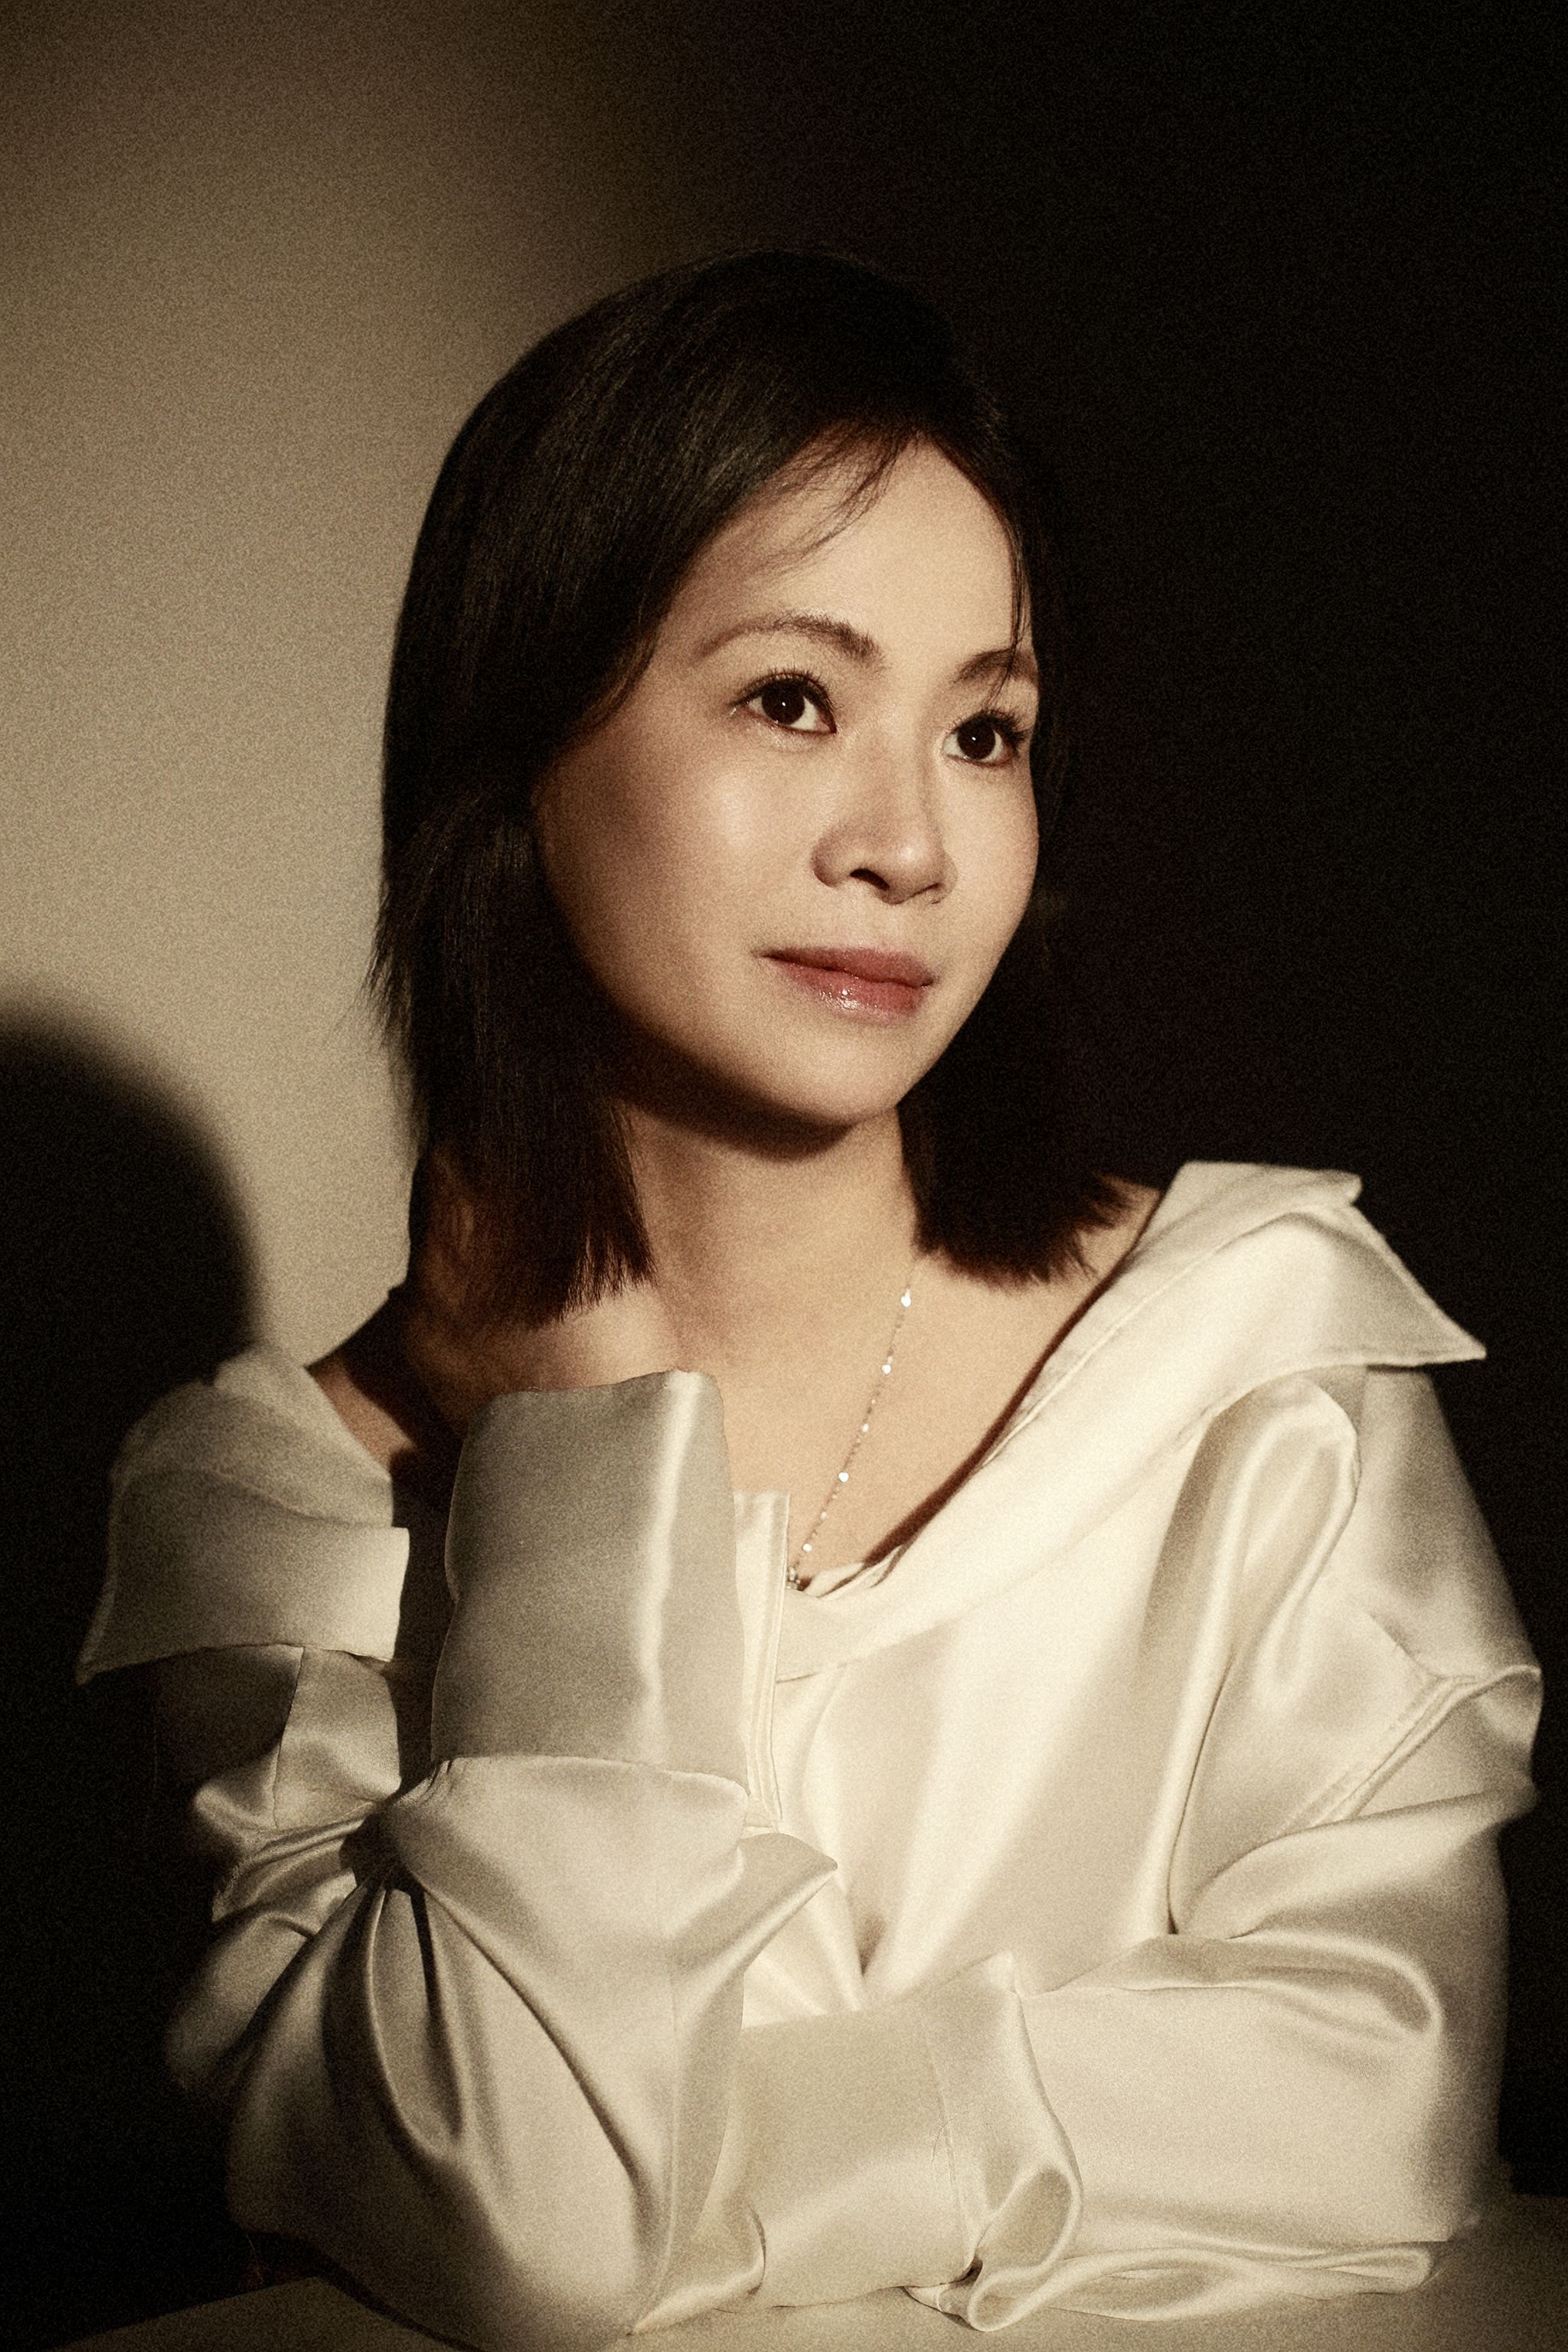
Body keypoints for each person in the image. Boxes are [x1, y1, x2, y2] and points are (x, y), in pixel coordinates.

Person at [79, 251, 1539, 2351]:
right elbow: (533, 2233)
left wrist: (718, 2168)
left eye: (987, 730)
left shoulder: (1253, 1364)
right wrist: (580, 1453)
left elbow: (1376, 2088)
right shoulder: (282, 1505)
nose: (912, 843)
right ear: (520, 741)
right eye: (792, 699)